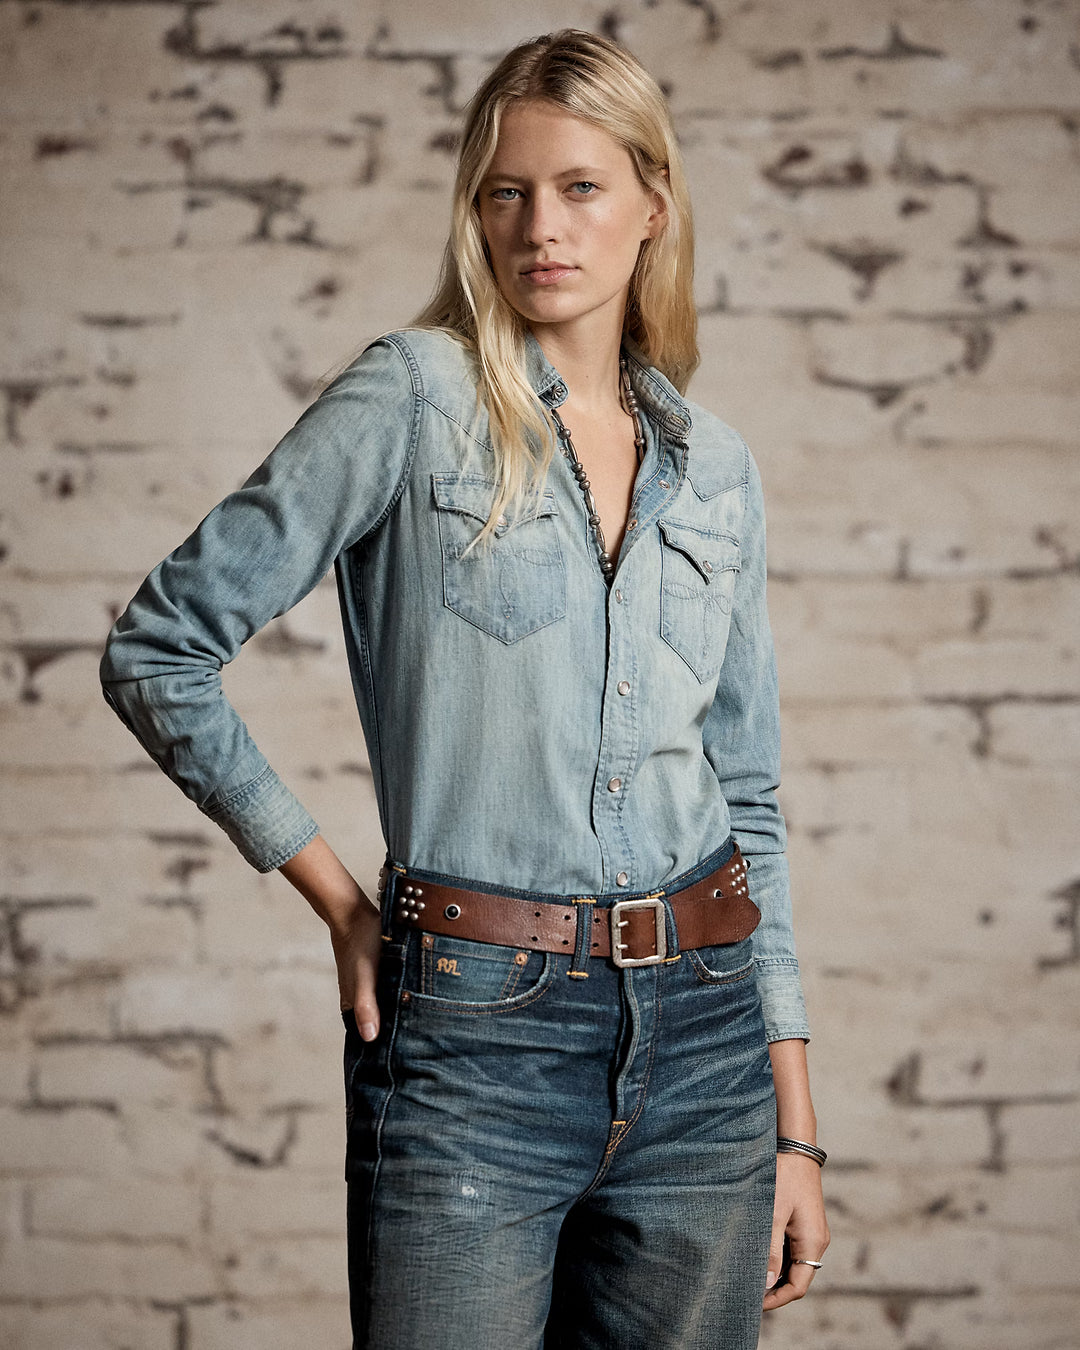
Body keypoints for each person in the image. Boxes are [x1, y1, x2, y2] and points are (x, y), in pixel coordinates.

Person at [101, 28, 829, 1350]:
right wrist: (334, 897)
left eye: (580, 187)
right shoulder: (414, 397)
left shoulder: (716, 467)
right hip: (473, 1039)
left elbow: (752, 798)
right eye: (507, 192)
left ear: (654, 202)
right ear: (473, 211)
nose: (540, 225)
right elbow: (162, 644)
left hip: (710, 1046)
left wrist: (797, 1126)